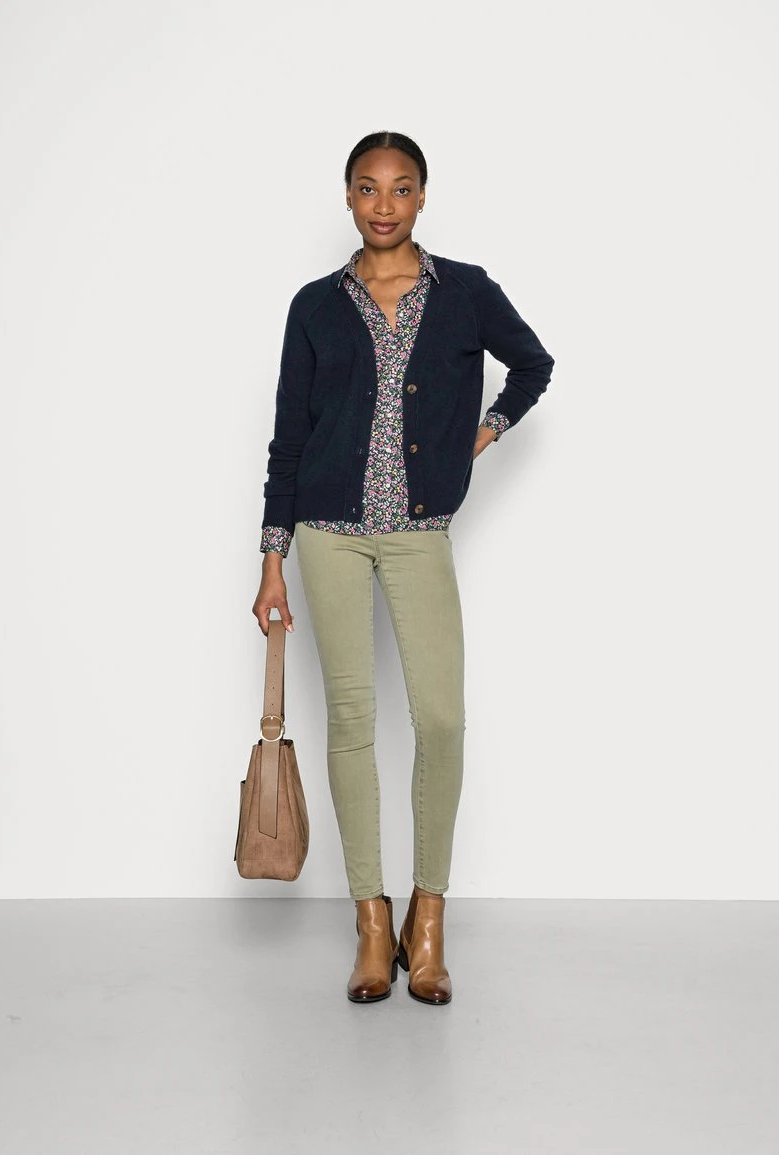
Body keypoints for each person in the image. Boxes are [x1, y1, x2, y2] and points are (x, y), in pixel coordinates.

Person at [252, 131, 554, 1005]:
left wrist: (480, 435)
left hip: (419, 529)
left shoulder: (464, 292)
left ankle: (429, 919)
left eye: (400, 187)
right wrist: (272, 559)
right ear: (348, 197)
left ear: (423, 196)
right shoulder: (315, 305)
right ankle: (372, 923)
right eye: (367, 187)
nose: (383, 204)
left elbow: (533, 365)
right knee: (351, 720)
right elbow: (288, 437)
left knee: (441, 720)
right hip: (328, 531)